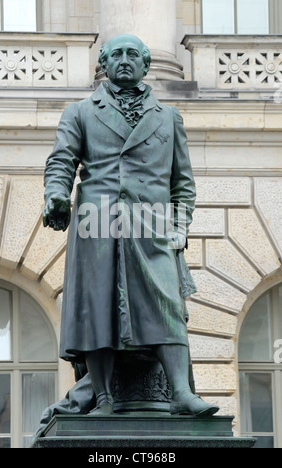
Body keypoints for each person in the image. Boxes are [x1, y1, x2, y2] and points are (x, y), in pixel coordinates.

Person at [43, 34, 219, 418]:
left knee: (166, 303)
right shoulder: (80, 112)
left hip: (152, 225)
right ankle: (104, 398)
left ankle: (181, 393)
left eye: (132, 54)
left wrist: (180, 225)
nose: (123, 60)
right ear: (104, 63)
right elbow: (61, 162)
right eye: (116, 54)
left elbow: (183, 184)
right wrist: (55, 194)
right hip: (97, 221)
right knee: (96, 306)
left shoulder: (169, 116)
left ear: (145, 64)